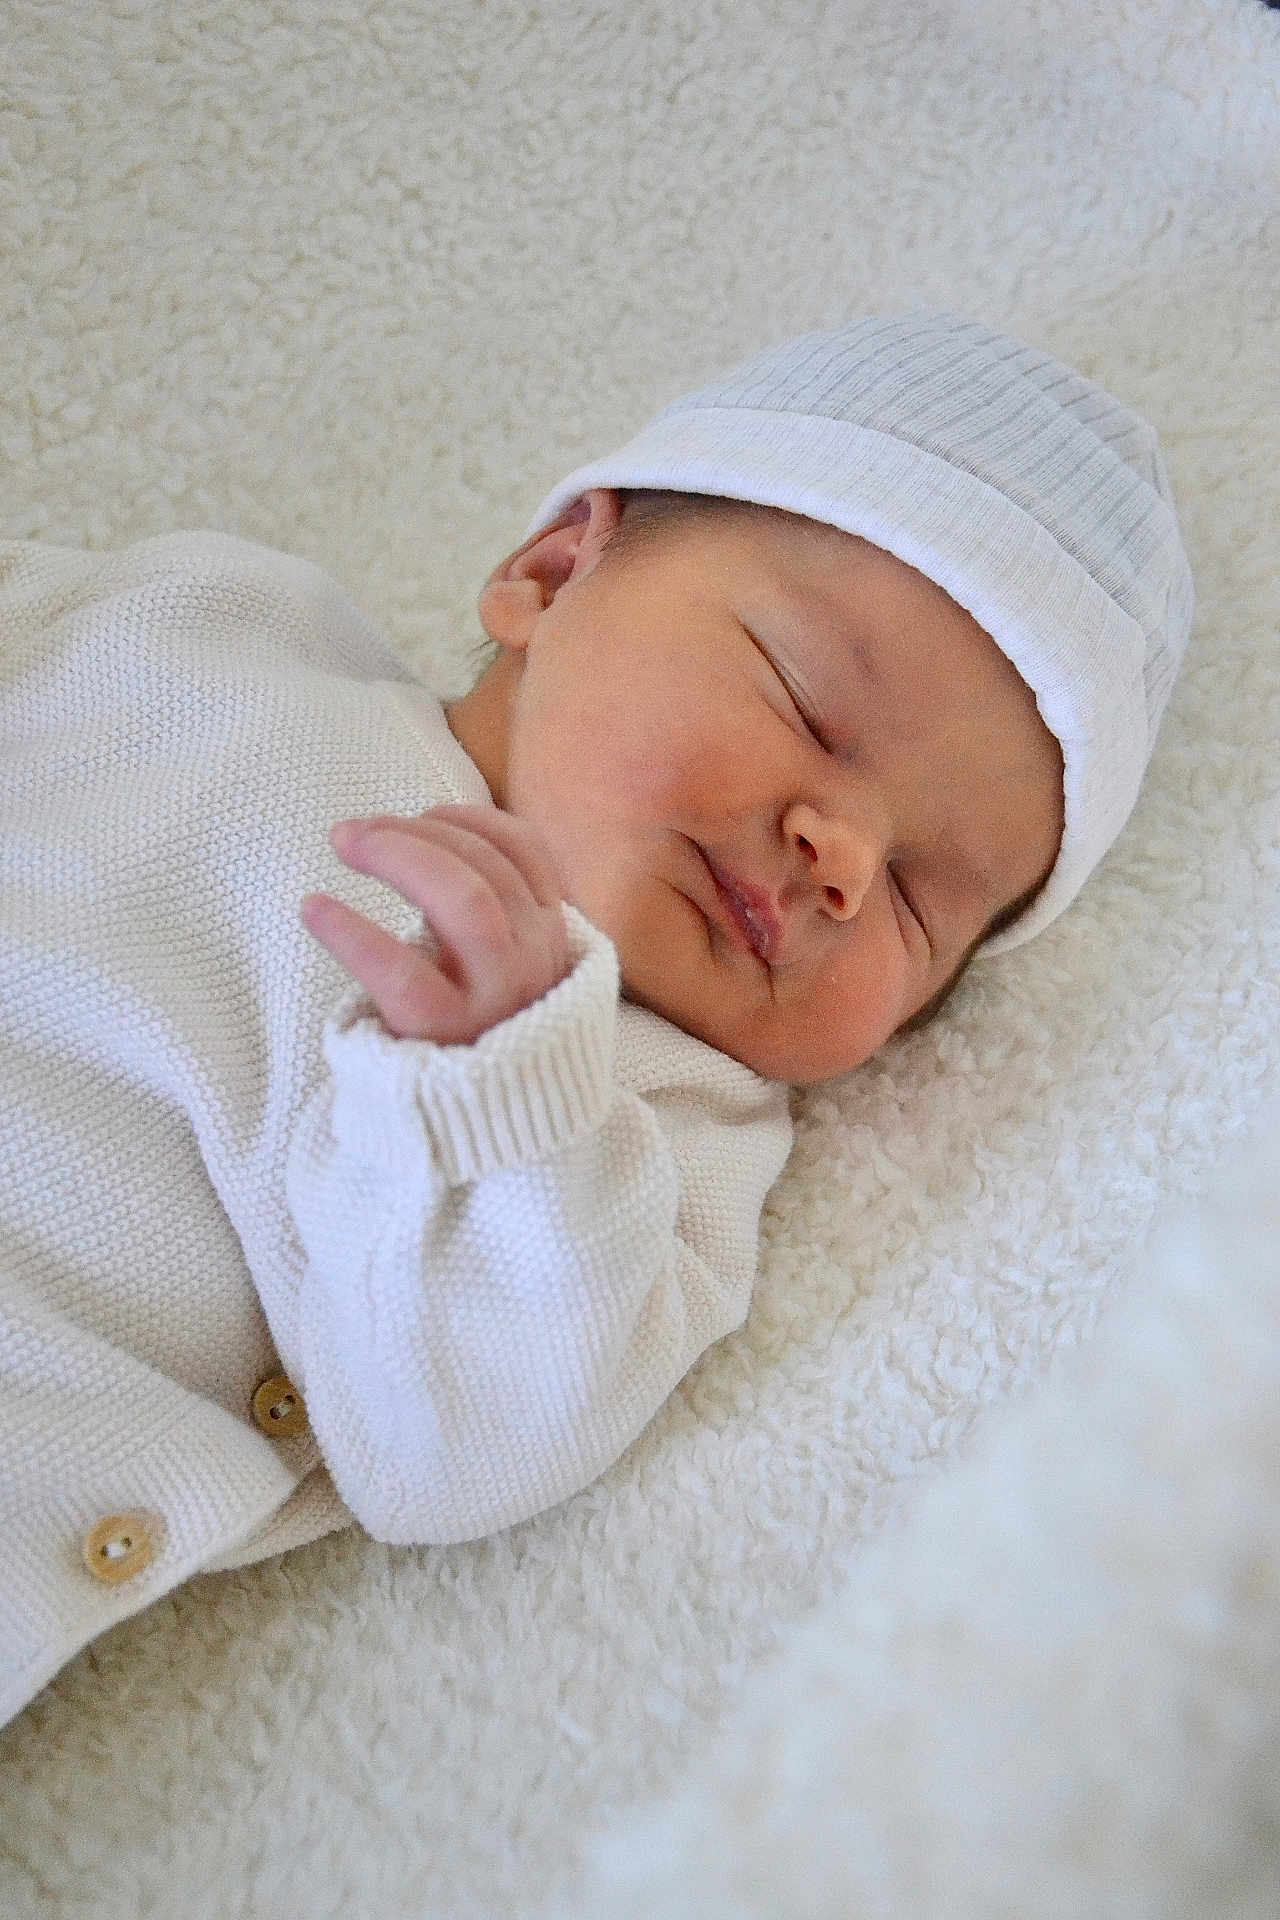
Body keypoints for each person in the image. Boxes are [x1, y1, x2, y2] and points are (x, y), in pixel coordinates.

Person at [0, 313, 1194, 1724]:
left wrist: (502, 1098)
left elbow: (443, 1460)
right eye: (809, 705)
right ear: (554, 571)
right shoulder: (207, 624)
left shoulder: (653, 1128)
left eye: (923, 901)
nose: (845, 858)